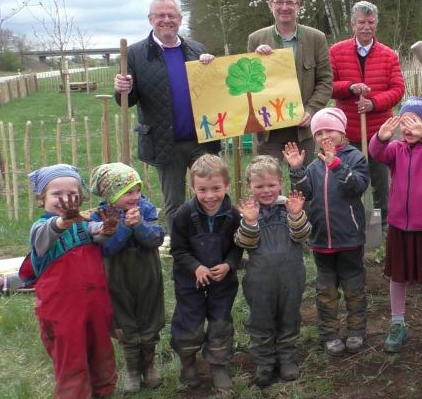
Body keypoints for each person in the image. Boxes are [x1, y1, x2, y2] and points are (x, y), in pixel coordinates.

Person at [114, 0, 220, 232]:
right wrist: (123, 88)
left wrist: (213, 67)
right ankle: (180, 249)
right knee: (174, 203)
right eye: (160, 15)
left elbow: (217, 90)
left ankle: (213, 241)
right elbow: (127, 100)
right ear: (151, 19)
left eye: (171, 15)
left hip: (202, 138)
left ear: (180, 19)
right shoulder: (135, 54)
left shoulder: (197, 49)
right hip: (164, 141)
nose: (166, 20)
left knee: (211, 194)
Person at [21, 164, 120, 399]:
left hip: (95, 305)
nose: (65, 199)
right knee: (71, 358)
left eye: (72, 194)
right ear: (41, 199)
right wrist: (62, 222)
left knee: (101, 351)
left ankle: (103, 391)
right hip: (62, 311)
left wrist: (108, 228)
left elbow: (98, 233)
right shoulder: (41, 228)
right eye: (57, 195)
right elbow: (46, 235)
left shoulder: (85, 224)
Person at [368, 97, 422, 354]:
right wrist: (381, 137)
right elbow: (376, 153)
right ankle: (397, 322)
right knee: (398, 275)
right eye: (404, 122)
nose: (408, 128)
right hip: (397, 225)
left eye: (414, 122)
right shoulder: (394, 149)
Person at [284, 107, 370, 355]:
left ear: (342, 132)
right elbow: (305, 192)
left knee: (354, 288)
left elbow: (357, 186)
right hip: (321, 239)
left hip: (349, 238)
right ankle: (330, 334)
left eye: (329, 130)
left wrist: (336, 164)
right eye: (319, 132)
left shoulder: (355, 158)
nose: (324, 136)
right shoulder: (313, 165)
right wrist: (297, 169)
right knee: (325, 291)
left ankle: (356, 331)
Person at [89, 163, 166, 394]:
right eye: (127, 192)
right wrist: (123, 226)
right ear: (111, 194)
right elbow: (107, 249)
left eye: (137, 190)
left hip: (147, 275)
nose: (135, 197)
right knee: (125, 322)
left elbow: (156, 239)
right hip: (117, 277)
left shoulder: (147, 208)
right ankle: (133, 370)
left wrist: (139, 225)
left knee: (149, 318)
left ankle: (149, 366)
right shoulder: (100, 216)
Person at [234, 156, 311, 386]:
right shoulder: (247, 212)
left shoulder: (289, 208)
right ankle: (264, 362)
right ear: (249, 187)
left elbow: (303, 236)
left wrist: (297, 215)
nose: (266, 191)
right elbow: (243, 243)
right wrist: (249, 221)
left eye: (271, 185)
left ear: (280, 183)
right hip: (259, 281)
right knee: (261, 320)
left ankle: (287, 359)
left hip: (291, 277)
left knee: (289, 317)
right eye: (259, 186)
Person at [330, 0, 405, 233]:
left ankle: (380, 225)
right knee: (346, 178)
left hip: (379, 132)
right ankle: (348, 220)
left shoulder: (388, 55)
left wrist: (373, 103)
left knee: (380, 181)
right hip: (347, 131)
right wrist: (350, 87)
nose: (366, 26)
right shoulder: (337, 51)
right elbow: (327, 86)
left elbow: (397, 89)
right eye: (361, 22)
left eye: (370, 22)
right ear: (353, 24)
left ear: (376, 25)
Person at [169, 154, 242, 391]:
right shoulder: (182, 215)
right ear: (192, 188)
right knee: (189, 321)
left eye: (216, 189)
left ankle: (219, 365)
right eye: (202, 190)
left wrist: (229, 264)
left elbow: (237, 247)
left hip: (222, 279)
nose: (210, 196)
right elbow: (178, 250)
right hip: (190, 279)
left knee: (220, 321)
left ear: (227, 186)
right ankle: (188, 363)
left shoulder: (234, 216)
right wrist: (196, 267)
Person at [248, 0, 333, 166]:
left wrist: (311, 111)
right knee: (268, 187)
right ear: (270, 5)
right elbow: (250, 86)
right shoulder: (256, 39)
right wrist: (257, 61)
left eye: (290, 2)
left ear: (298, 6)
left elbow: (325, 81)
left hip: (303, 130)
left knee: (304, 185)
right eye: (279, 2)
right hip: (269, 131)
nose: (284, 7)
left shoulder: (316, 38)